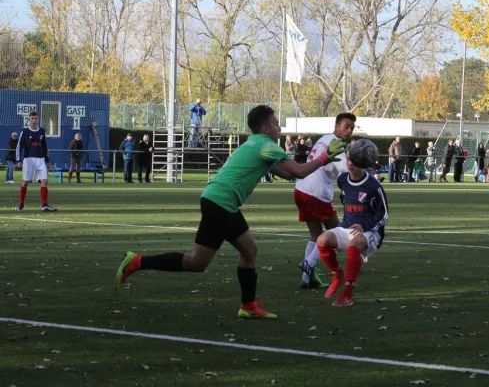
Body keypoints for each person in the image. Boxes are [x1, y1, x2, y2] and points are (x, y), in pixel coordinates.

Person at [115, 105, 347, 319]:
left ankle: (248, 307)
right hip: (220, 202)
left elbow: (287, 174)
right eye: (276, 123)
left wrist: (319, 160)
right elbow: (298, 171)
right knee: (198, 262)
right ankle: (137, 262)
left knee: (248, 251)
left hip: (221, 201)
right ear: (266, 127)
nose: (279, 127)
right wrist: (324, 157)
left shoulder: (256, 143)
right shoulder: (267, 145)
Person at [316, 154, 389, 307]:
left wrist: (365, 226)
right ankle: (337, 274)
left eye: (355, 160)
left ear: (363, 162)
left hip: (370, 231)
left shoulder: (374, 186)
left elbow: (383, 215)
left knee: (354, 245)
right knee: (322, 240)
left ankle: (347, 293)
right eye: (349, 159)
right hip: (346, 226)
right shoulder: (342, 180)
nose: (351, 163)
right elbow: (346, 202)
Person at [295, 113, 356, 288]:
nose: (349, 130)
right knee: (337, 230)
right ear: (336, 126)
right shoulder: (336, 143)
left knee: (316, 235)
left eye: (351, 127)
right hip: (316, 192)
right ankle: (309, 263)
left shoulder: (324, 138)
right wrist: (361, 161)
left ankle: (307, 280)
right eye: (346, 126)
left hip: (301, 189)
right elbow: (345, 168)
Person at [15, 112, 57, 212]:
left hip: (41, 159)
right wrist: (18, 160)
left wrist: (47, 160)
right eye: (32, 118)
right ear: (29, 120)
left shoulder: (42, 131)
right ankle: (21, 204)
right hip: (28, 159)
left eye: (36, 118)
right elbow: (19, 147)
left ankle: (44, 205)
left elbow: (45, 146)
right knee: (25, 182)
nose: (34, 120)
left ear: (38, 119)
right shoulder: (24, 132)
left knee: (44, 181)